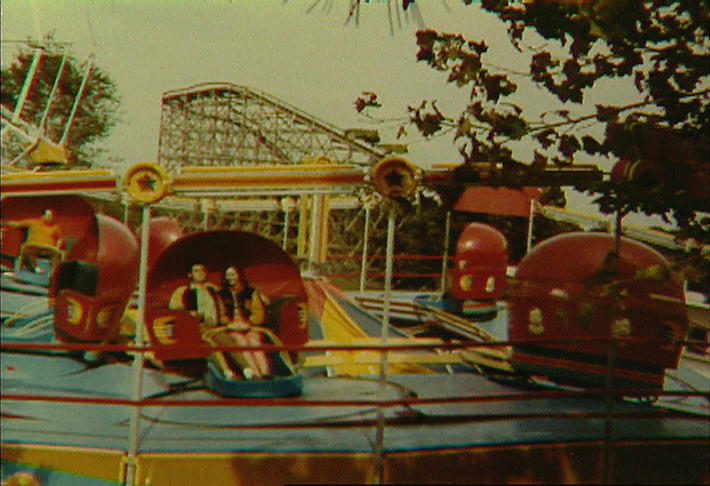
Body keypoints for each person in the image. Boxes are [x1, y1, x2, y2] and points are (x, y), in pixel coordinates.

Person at [218, 265, 272, 379]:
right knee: (241, 342)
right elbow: (221, 314)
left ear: (239, 276)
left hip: (250, 325)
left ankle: (265, 373)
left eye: (233, 274)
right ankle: (254, 374)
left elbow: (258, 312)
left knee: (254, 342)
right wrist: (229, 324)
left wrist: (249, 324)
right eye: (228, 275)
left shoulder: (251, 292)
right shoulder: (221, 294)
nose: (230, 277)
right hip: (233, 327)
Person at [168, 263, 223, 329]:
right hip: (195, 327)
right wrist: (191, 314)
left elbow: (222, 310)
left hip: (216, 327)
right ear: (190, 275)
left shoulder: (213, 290)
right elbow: (175, 309)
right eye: (196, 271)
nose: (200, 273)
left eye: (203, 270)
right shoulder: (183, 291)